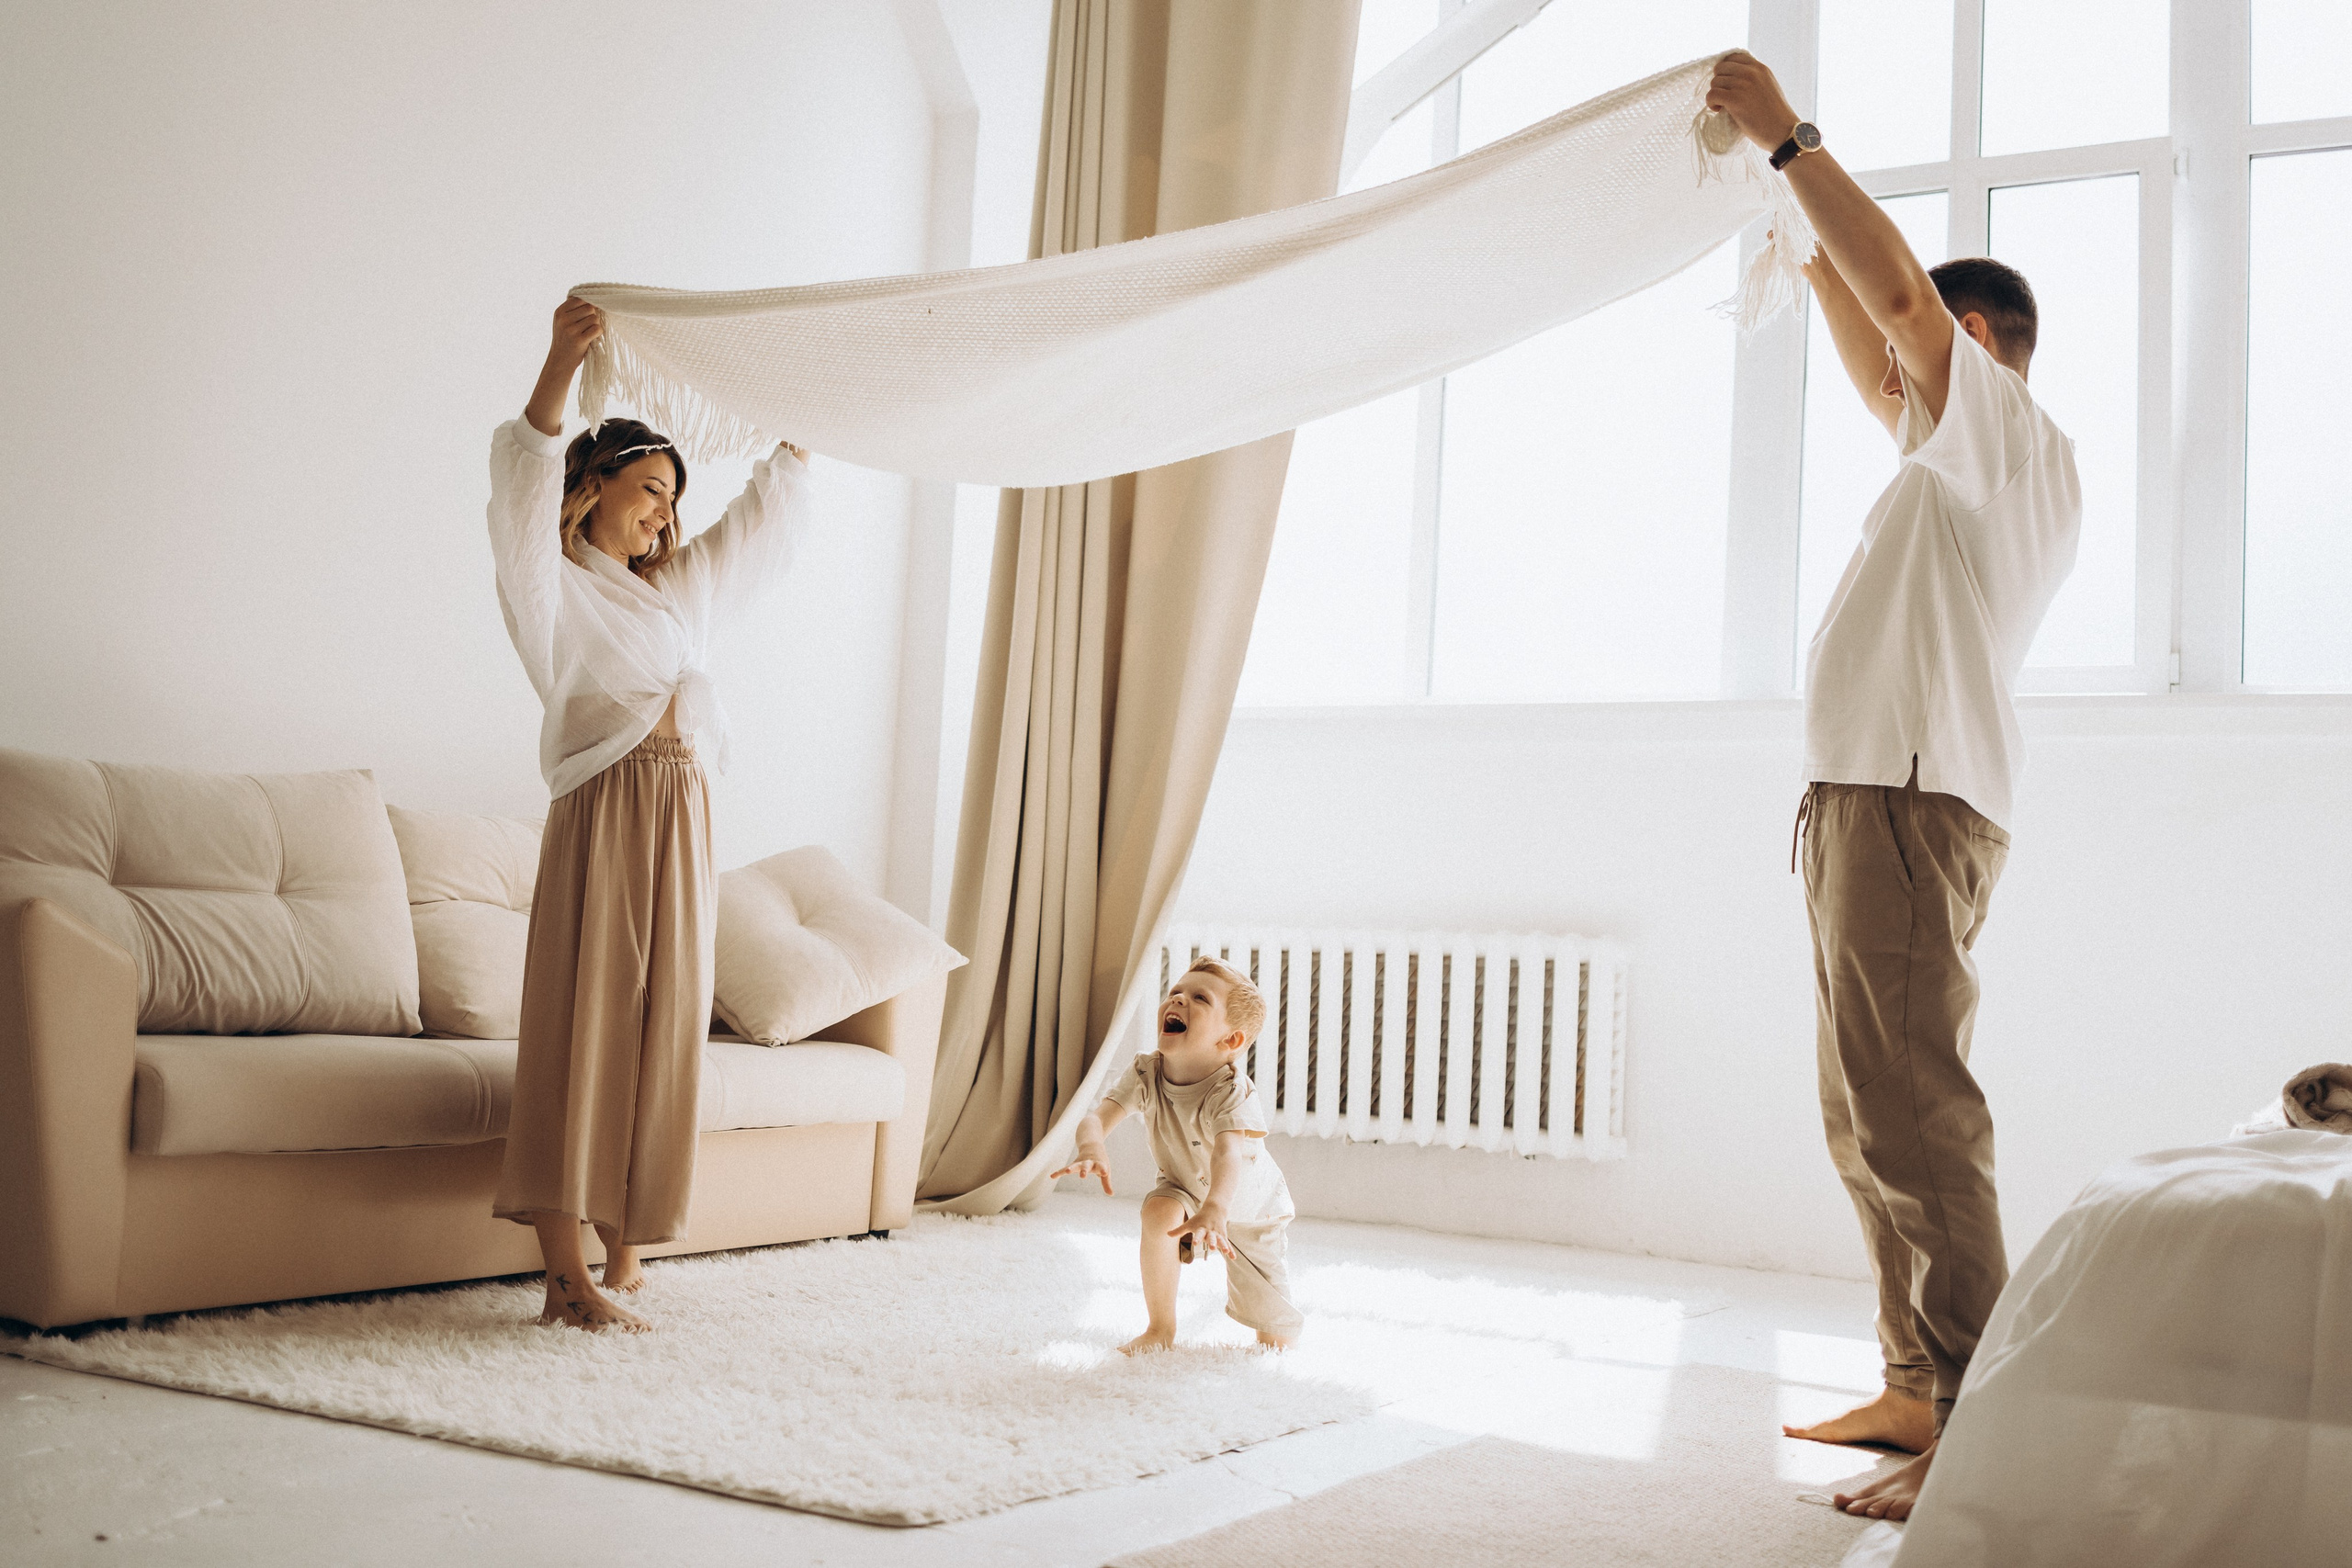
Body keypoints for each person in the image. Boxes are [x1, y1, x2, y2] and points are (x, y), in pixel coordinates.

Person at [1706, 52, 2083, 1519]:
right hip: (1859, 803)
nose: (1879, 379)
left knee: (1918, 1110)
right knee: (1862, 1107)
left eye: (1905, 349)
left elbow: (1905, 314)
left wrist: (1788, 138)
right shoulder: (1947, 462)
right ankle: (1914, 1380)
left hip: (1910, 809)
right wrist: (1799, 250)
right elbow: (1882, 329)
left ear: (1978, 340)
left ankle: (1977, 1415)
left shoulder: (1998, 427)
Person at [486, 296, 812, 1331]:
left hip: (686, 812)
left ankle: (625, 1257)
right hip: (606, 808)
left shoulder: (680, 594)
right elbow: (520, 482)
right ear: (593, 491)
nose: (666, 517)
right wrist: (556, 366)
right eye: (651, 492)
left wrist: (800, 430)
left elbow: (761, 528)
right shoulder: (555, 586)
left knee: (663, 1023)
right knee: (586, 1023)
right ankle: (562, 1276)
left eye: (674, 501)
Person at [1053, 958, 1304, 1354]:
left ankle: (1278, 1338)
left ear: (1231, 1041)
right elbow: (1096, 1118)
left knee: (1274, 1337)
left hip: (1250, 1207)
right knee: (1158, 1213)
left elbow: (1227, 1155)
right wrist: (1091, 1146)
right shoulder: (1146, 1072)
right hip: (1183, 1184)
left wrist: (1217, 1207)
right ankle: (1160, 1329)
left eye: (1199, 998)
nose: (1179, 999)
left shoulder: (1231, 1091)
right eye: (1175, 993)